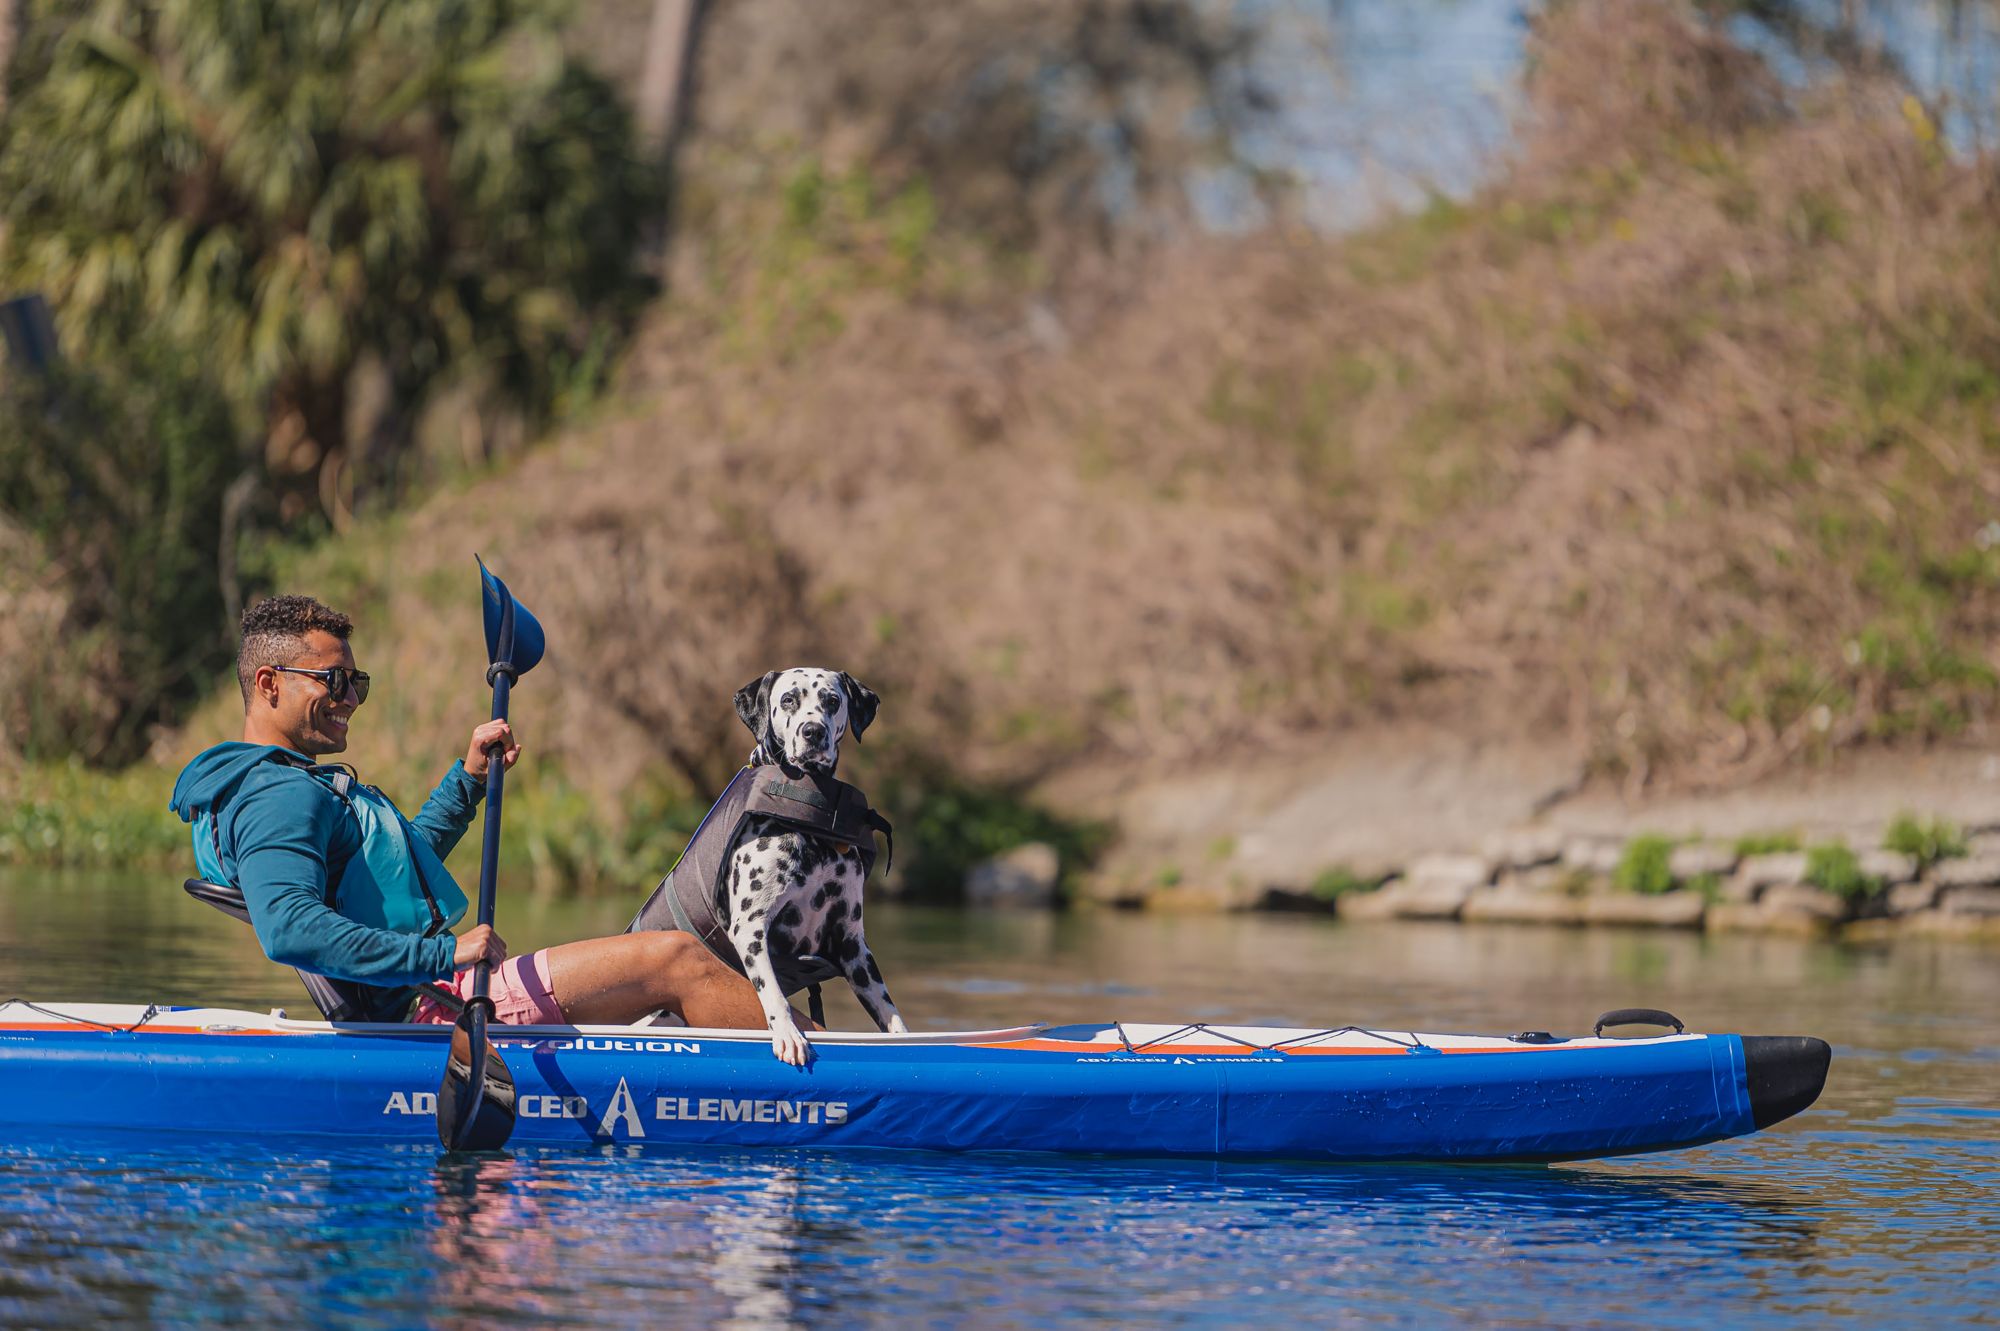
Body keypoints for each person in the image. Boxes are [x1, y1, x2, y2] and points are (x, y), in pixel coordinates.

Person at [169, 594, 780, 1029]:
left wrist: (468, 783)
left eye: (359, 682)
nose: (351, 698)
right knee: (671, 959)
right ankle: (849, 1074)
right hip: (440, 1005)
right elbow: (291, 930)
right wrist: (445, 954)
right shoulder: (279, 795)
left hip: (429, 989)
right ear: (270, 683)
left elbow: (390, 875)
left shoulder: (273, 786)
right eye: (334, 681)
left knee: (678, 957)